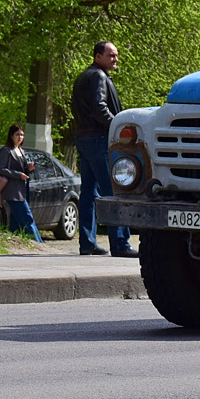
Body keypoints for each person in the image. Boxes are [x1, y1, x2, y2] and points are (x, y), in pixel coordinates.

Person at [70, 41, 136, 257]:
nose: (115, 59)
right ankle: (120, 243)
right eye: (111, 55)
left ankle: (87, 242)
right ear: (98, 56)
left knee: (88, 191)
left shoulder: (83, 76)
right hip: (98, 138)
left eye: (116, 55)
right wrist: (118, 126)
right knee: (115, 189)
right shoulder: (98, 76)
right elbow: (100, 108)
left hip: (84, 138)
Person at [0, 125, 42, 242]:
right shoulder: (6, 151)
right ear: (11, 136)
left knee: (15, 223)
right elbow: (1, 169)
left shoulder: (21, 151)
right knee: (27, 218)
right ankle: (39, 243)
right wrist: (18, 174)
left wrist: (28, 169)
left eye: (22, 135)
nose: (20, 137)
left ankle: (11, 243)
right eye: (17, 135)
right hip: (12, 191)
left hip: (22, 190)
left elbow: (23, 171)